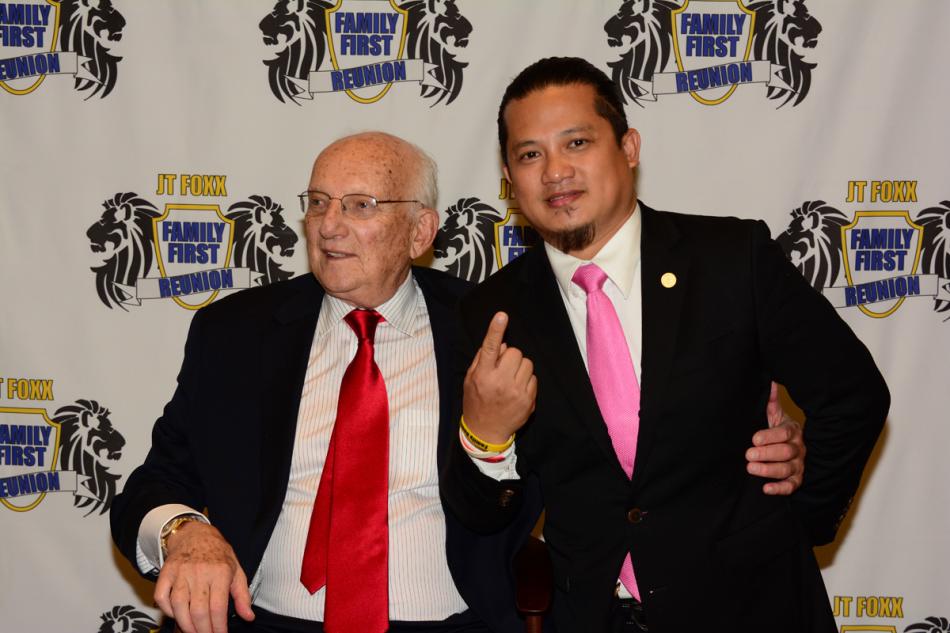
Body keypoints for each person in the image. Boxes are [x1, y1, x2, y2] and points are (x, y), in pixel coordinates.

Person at [111, 131, 804, 633]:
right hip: (265, 619)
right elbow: (156, 479)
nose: (329, 226)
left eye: (361, 205)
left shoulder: (499, 328)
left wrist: (765, 448)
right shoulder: (236, 333)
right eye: (318, 202)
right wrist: (182, 529)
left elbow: (620, 461)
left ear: (421, 231)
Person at [442, 57, 889, 633]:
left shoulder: (733, 260)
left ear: (628, 148)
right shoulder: (490, 314)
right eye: (530, 154)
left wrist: (797, 524)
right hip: (592, 617)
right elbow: (481, 518)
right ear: (509, 176)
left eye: (577, 142)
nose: (555, 171)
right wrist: (485, 436)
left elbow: (853, 395)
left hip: (753, 608)